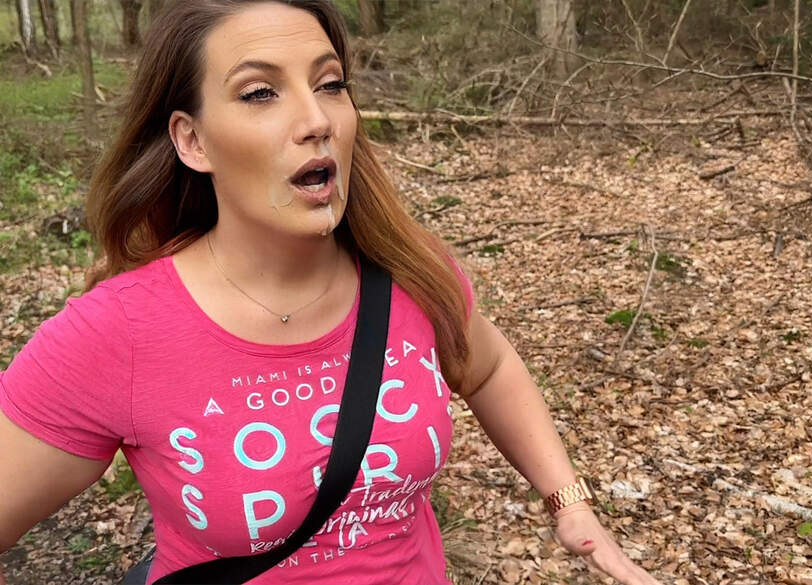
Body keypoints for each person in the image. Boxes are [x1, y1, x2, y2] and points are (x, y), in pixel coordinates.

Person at [0, 2, 661, 584]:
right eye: (261, 92)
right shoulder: (117, 330)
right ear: (193, 140)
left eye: (331, 84)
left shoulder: (408, 271)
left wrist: (568, 501)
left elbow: (487, 369)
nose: (316, 119)